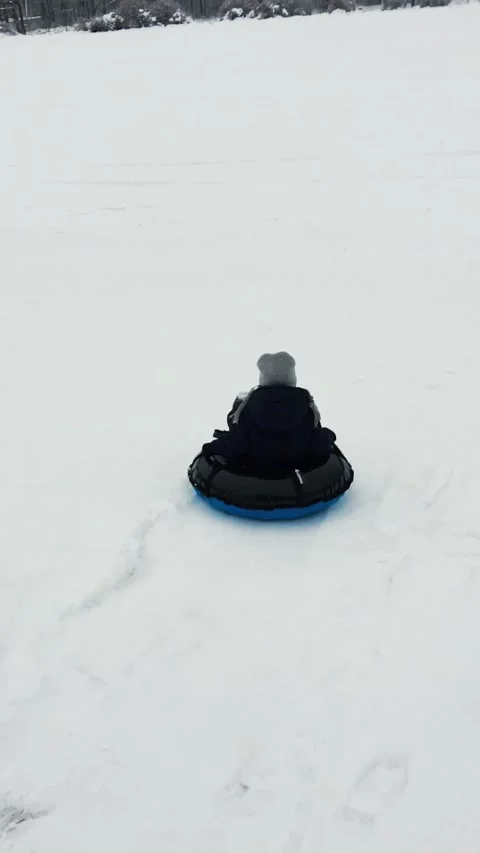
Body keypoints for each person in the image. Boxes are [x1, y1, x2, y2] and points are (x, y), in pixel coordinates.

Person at [202, 352, 336, 476]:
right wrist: (329, 436)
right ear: (292, 379)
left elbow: (237, 442)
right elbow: (316, 441)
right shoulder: (307, 407)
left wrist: (209, 449)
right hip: (296, 468)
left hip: (255, 470)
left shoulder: (246, 407)